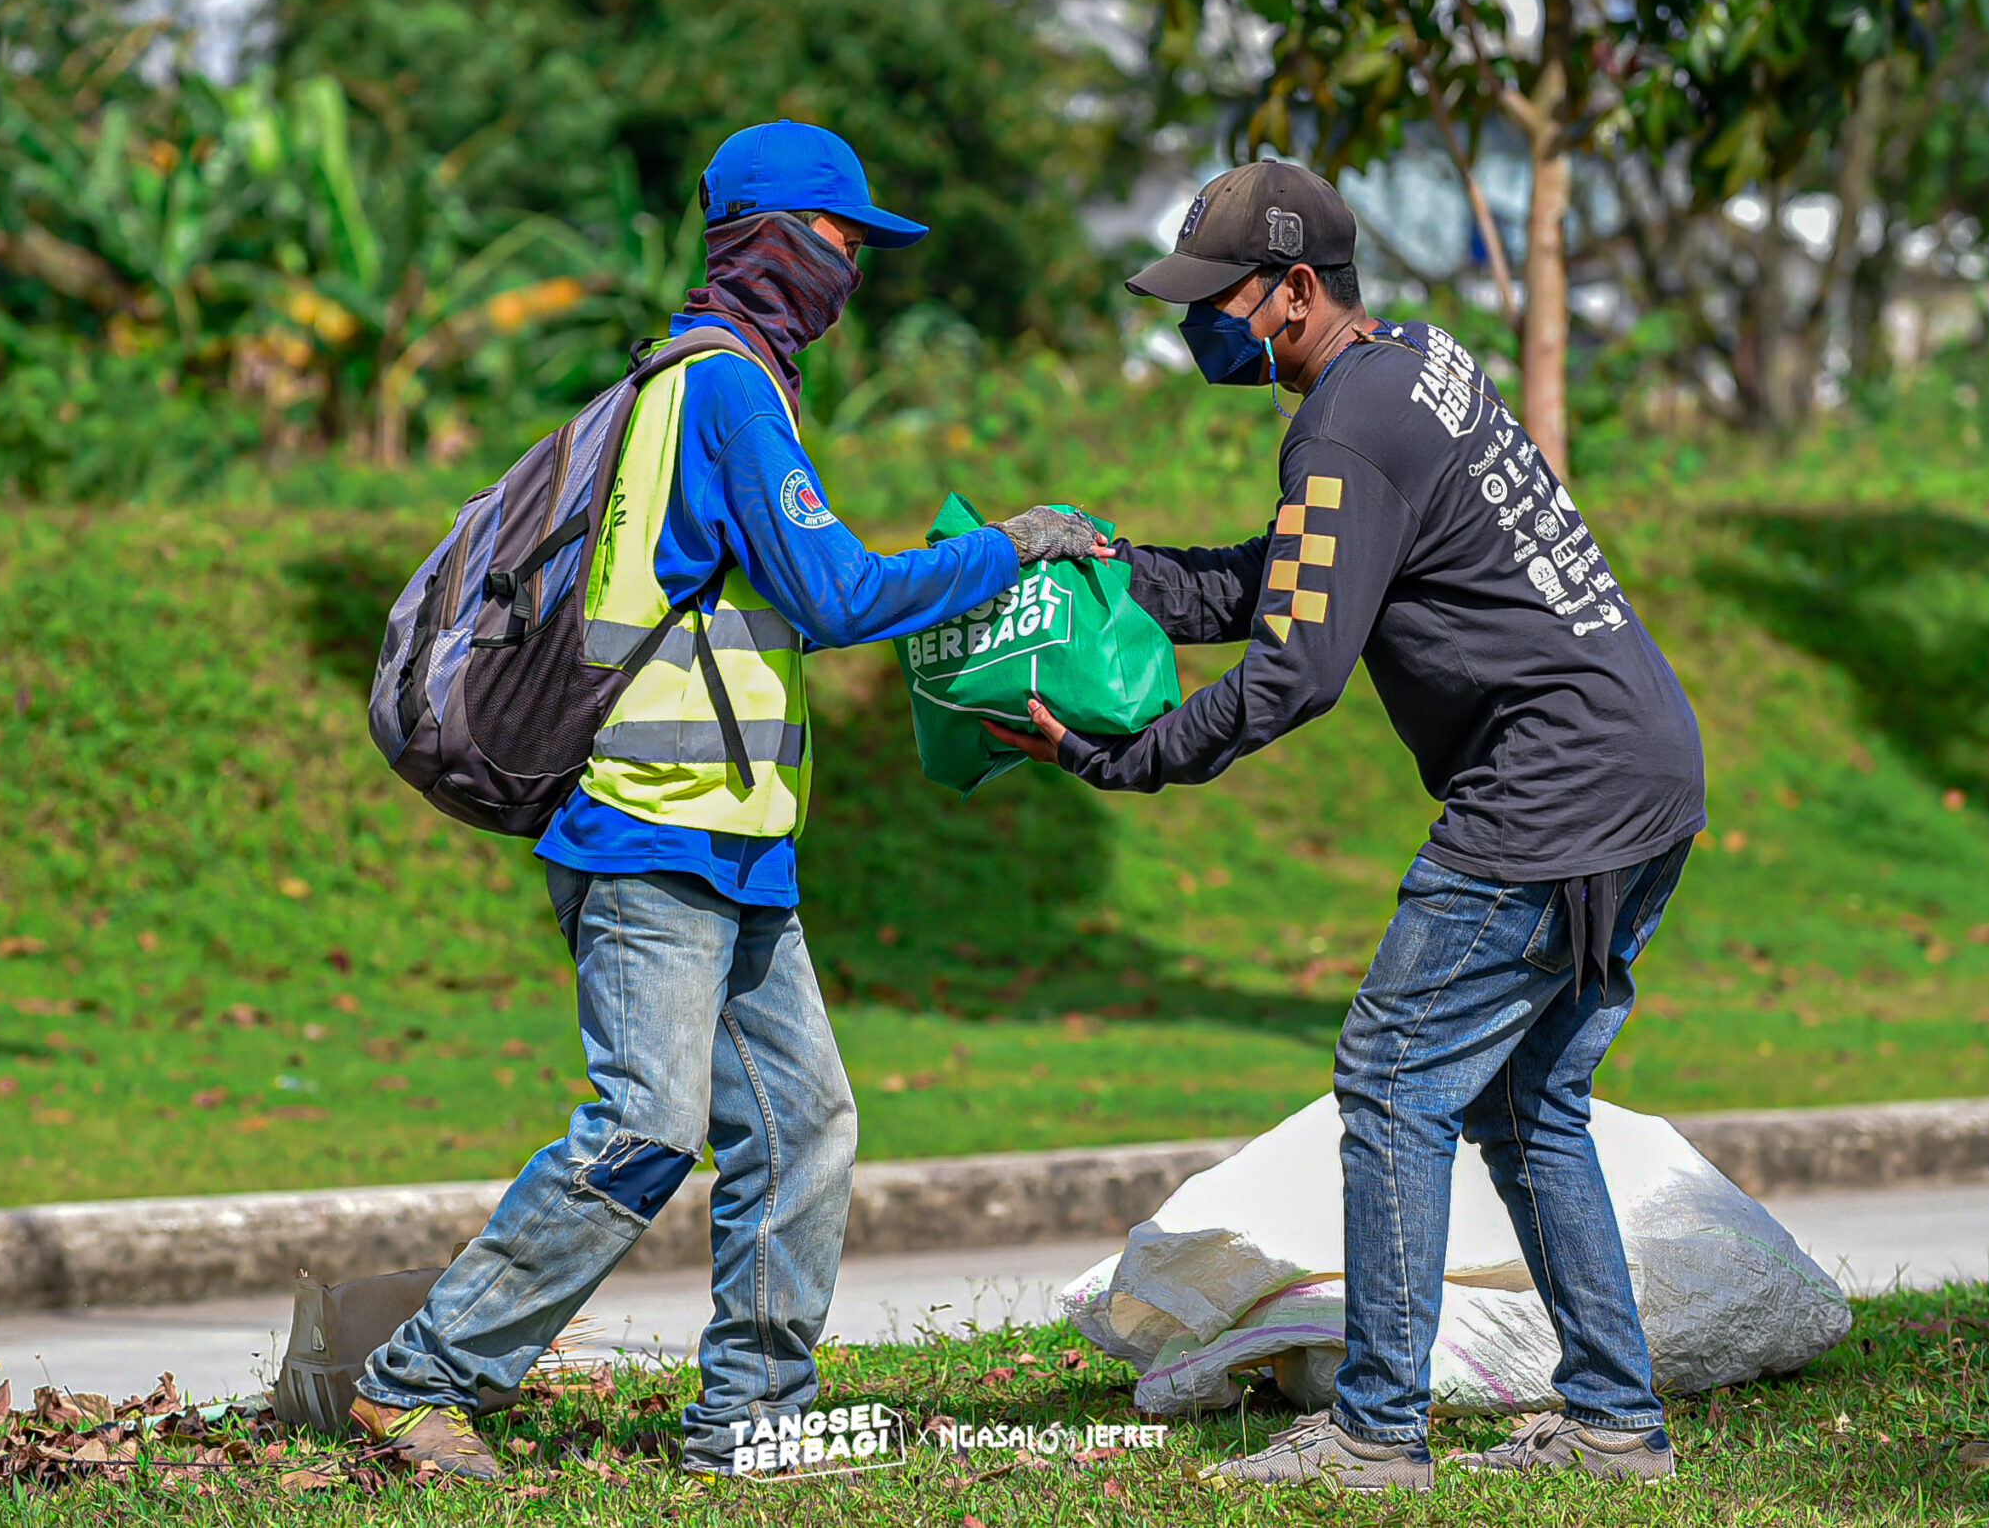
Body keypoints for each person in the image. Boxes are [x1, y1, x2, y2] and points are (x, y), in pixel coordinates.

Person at [349, 120, 1108, 1480]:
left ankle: (753, 1412)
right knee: (646, 1122)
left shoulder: (739, 381)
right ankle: (420, 1379)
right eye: (840, 238)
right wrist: (1011, 549)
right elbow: (834, 596)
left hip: (735, 837)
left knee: (805, 1122)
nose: (852, 267)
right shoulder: (722, 390)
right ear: (769, 239)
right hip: (649, 825)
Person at [987, 160, 1707, 1491]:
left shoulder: (1344, 424)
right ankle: (1616, 1423)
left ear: (1297, 289)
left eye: (1221, 299)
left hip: (1548, 791)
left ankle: (1378, 1433)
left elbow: (1295, 671)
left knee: (1389, 1081)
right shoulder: (1414, 367)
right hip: (1642, 769)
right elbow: (1297, 577)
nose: (1200, 325)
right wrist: (1116, 567)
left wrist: (1125, 760)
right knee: (1527, 1100)